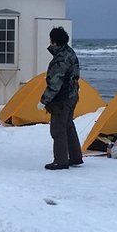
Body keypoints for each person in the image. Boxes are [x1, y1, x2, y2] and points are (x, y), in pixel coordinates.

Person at [39, 26, 83, 170]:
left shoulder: (60, 60)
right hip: (72, 95)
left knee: (58, 129)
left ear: (55, 42)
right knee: (68, 125)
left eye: (51, 40)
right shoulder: (70, 52)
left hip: (62, 98)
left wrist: (44, 101)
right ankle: (75, 157)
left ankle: (60, 161)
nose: (50, 43)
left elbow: (55, 84)